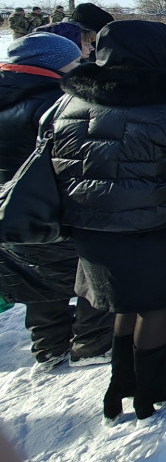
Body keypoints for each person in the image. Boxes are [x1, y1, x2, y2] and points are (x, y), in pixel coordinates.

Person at [52, 20, 166, 420]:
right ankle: (153, 387)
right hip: (156, 222)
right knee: (155, 305)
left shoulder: (71, 102)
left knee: (124, 302)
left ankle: (121, 384)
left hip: (93, 225)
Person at [0, 34, 112, 371]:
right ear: (53, 64)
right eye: (75, 61)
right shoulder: (57, 102)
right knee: (86, 268)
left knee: (34, 272)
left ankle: (48, 344)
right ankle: (92, 341)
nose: (82, 65)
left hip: (10, 205)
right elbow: (81, 155)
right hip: (58, 201)